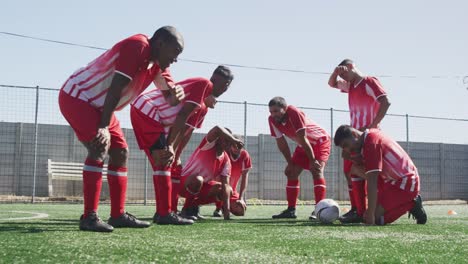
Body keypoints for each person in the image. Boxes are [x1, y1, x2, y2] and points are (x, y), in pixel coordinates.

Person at [58, 26, 185, 232]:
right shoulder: (138, 46)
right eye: (175, 52)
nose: (176, 59)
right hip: (78, 97)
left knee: (121, 152)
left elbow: (170, 99)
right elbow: (116, 87)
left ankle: (117, 215)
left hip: (101, 106)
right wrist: (103, 126)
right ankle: (89, 217)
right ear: (160, 43)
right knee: (100, 146)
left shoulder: (158, 64)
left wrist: (176, 93)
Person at [130, 66, 233, 224]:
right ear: (222, 83)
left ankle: (167, 211)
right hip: (148, 112)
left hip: (152, 117)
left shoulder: (202, 106)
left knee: (168, 166)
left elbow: (185, 131)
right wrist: (170, 145)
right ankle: (165, 213)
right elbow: (182, 115)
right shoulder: (204, 84)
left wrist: (176, 154)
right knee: (164, 163)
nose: (225, 90)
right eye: (226, 85)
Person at [328, 59, 391, 223]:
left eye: (344, 73)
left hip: (367, 137)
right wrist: (336, 73)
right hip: (354, 137)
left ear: (351, 67)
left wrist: (373, 125)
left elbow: (386, 101)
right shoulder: (351, 86)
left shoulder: (369, 81)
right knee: (350, 170)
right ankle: (358, 209)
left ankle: (399, 200)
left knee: (369, 173)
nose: (343, 78)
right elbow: (331, 83)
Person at [333, 125, 427, 225]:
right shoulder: (369, 136)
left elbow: (372, 180)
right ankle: (359, 212)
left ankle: (412, 203)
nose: (347, 150)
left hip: (405, 184)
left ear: (354, 134)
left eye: (346, 145)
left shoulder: (371, 142)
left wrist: (370, 213)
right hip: (390, 181)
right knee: (355, 169)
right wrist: (353, 157)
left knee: (376, 219)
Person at [268, 97, 331, 219]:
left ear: (284, 108)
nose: (273, 114)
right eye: (271, 111)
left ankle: (319, 210)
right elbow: (281, 143)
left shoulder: (294, 112)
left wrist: (312, 161)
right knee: (291, 172)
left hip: (319, 141)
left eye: (276, 111)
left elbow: (303, 138)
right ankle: (291, 210)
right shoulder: (272, 120)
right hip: (304, 144)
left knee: (316, 171)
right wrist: (290, 162)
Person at [179, 126, 244, 220]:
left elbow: (225, 185)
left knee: (227, 189)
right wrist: (233, 139)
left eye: (229, 141)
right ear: (218, 139)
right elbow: (216, 129)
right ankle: (186, 210)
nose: (228, 143)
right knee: (198, 179)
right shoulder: (208, 145)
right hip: (184, 184)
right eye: (225, 139)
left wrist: (226, 213)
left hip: (200, 187)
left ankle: (194, 208)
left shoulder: (226, 160)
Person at [213, 135, 252, 217]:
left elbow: (245, 178)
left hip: (232, 191)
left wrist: (241, 198)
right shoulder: (224, 154)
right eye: (234, 146)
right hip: (219, 187)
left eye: (239, 146)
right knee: (219, 191)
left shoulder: (245, 155)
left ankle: (225, 206)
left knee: (240, 210)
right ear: (230, 145)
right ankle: (218, 207)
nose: (237, 149)